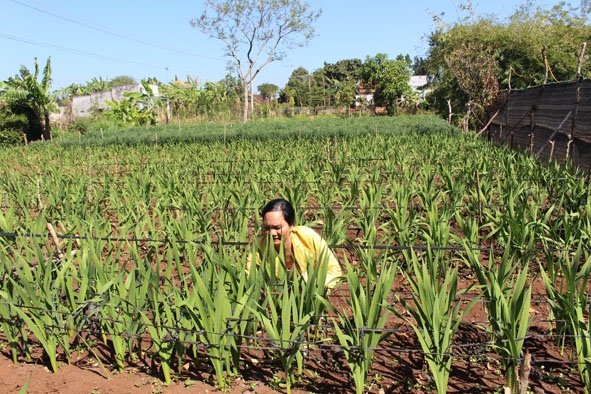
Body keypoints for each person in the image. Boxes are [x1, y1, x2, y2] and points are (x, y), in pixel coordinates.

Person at [246, 198, 342, 289]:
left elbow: (333, 270)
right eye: (267, 228)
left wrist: (315, 286)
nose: (272, 233)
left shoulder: (308, 238)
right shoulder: (259, 246)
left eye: (277, 228)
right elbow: (250, 277)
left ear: (291, 225)